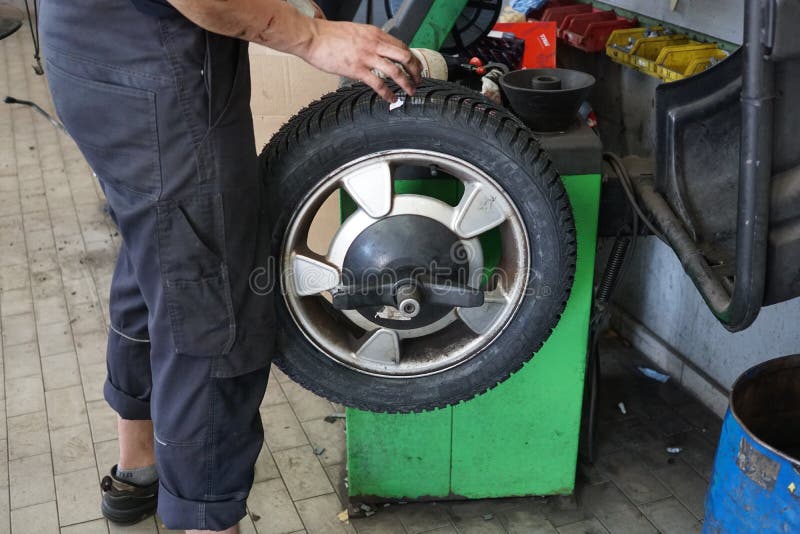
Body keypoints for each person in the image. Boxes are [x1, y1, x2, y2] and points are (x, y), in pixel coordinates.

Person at [39, 1, 421, 533]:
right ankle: (204, 518)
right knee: (212, 310)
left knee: (160, 256)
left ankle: (139, 469)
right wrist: (308, 36)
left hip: (96, 55)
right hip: (155, 73)